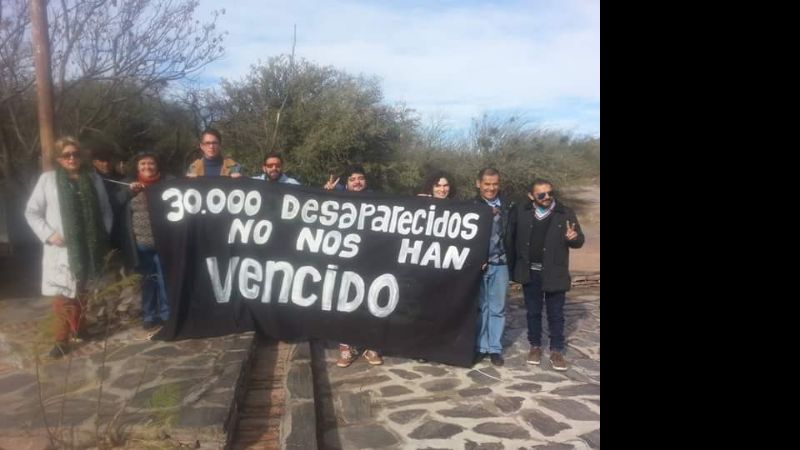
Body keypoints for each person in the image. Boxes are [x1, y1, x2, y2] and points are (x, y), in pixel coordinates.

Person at [25, 136, 113, 358]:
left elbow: (105, 210)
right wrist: (49, 234)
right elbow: (32, 212)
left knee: (82, 291)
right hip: (62, 248)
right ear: (58, 158)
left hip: (88, 245)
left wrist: (102, 233)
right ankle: (61, 339)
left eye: (75, 154)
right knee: (63, 295)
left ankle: (80, 328)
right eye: (66, 155)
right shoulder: (48, 180)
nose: (71, 158)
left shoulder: (92, 178)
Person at [509, 179, 584, 371]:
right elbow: (511, 237)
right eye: (541, 194)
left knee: (556, 314)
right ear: (531, 196)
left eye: (550, 193)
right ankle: (535, 346)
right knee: (533, 312)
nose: (547, 197)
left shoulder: (564, 213)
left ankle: (556, 350)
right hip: (530, 272)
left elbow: (579, 240)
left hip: (555, 272)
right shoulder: (521, 211)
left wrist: (574, 238)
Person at [323, 164, 383, 367]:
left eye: (360, 178)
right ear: (346, 183)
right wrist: (327, 195)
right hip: (344, 260)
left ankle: (372, 346)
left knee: (371, 303)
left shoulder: (378, 200)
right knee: (343, 303)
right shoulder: (337, 197)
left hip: (370, 260)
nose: (357, 182)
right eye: (352, 179)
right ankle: (346, 347)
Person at [120, 152, 172, 331]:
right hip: (141, 244)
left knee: (165, 280)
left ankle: (166, 314)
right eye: (143, 164)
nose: (147, 167)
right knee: (147, 280)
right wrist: (128, 192)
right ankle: (149, 315)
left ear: (157, 166)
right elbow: (114, 202)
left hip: (163, 242)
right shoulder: (128, 185)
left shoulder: (167, 184)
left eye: (151, 163)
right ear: (137, 167)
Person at [473, 168, 514, 367]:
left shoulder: (509, 206)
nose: (491, 188)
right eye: (487, 184)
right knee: (481, 307)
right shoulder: (470, 206)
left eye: (495, 184)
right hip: (479, 265)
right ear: (478, 184)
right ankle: (481, 347)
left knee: (498, 308)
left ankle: (495, 348)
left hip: (502, 264)